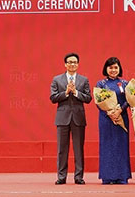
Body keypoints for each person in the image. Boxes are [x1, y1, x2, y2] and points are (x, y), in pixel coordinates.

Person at [50, 53, 92, 185]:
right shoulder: (57, 79)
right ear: (65, 64)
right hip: (62, 118)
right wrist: (66, 92)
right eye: (70, 62)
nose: (72, 64)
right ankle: (61, 177)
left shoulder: (83, 80)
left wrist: (76, 93)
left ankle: (78, 177)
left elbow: (88, 98)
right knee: (62, 149)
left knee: (79, 149)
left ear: (78, 64)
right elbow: (53, 98)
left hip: (78, 118)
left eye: (75, 62)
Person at [96, 57, 131, 184]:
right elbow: (98, 101)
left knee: (121, 147)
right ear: (106, 69)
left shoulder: (125, 83)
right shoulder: (101, 84)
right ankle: (107, 177)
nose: (113, 70)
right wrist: (109, 113)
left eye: (116, 67)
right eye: (110, 67)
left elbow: (129, 100)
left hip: (122, 118)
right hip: (106, 120)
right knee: (107, 147)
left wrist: (120, 111)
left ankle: (122, 176)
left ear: (119, 69)